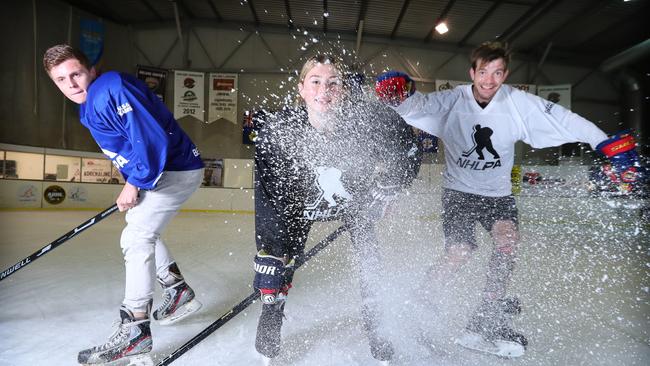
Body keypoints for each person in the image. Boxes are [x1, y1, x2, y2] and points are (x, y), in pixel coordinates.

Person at [375, 41, 643, 357]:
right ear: (472, 72)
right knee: (460, 252)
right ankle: (421, 302)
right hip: (459, 193)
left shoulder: (517, 102)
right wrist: (401, 98)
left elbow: (564, 119)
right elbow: (419, 108)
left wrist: (603, 142)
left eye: (498, 72)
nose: (489, 80)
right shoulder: (452, 100)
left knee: (507, 242)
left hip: (498, 195)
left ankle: (487, 314)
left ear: (505, 74)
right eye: (484, 72)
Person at [252, 54, 421, 364]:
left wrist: (390, 187)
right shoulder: (278, 131)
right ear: (301, 88)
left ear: (343, 90)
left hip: (354, 200)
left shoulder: (367, 121)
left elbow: (408, 147)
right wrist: (271, 251)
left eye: (333, 83)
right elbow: (268, 193)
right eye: (315, 82)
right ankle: (270, 327)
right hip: (299, 204)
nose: (324, 90)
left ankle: (379, 335)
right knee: (275, 272)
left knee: (371, 264)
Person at [43, 44, 204, 365]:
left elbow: (149, 136)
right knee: (140, 230)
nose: (71, 84)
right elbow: (126, 145)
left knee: (135, 239)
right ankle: (177, 290)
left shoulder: (108, 88)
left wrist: (135, 182)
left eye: (75, 73)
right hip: (163, 171)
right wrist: (131, 179)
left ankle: (135, 330)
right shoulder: (88, 105)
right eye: (61, 79)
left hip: (173, 169)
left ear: (91, 70)